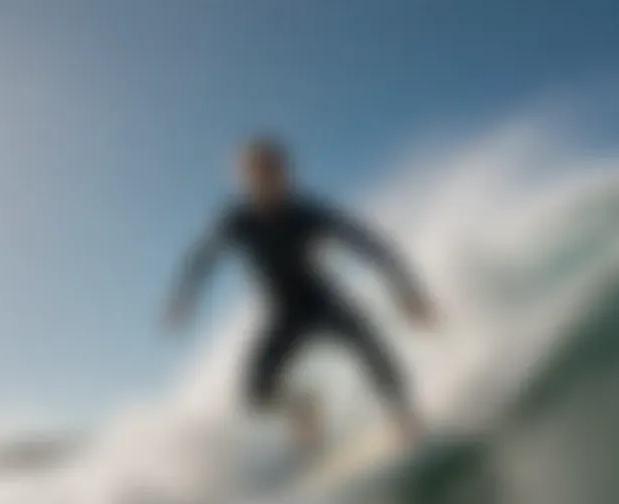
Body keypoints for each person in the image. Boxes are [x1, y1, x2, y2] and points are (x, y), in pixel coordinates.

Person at [164, 138, 436, 448]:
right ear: (245, 178)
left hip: (321, 301)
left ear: (285, 174)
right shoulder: (238, 221)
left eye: (273, 170)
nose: (267, 179)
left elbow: (367, 243)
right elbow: (202, 259)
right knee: (255, 393)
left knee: (373, 349)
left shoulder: (306, 214)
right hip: (283, 314)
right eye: (257, 173)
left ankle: (406, 418)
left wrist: (407, 290)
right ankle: (301, 404)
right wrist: (183, 299)